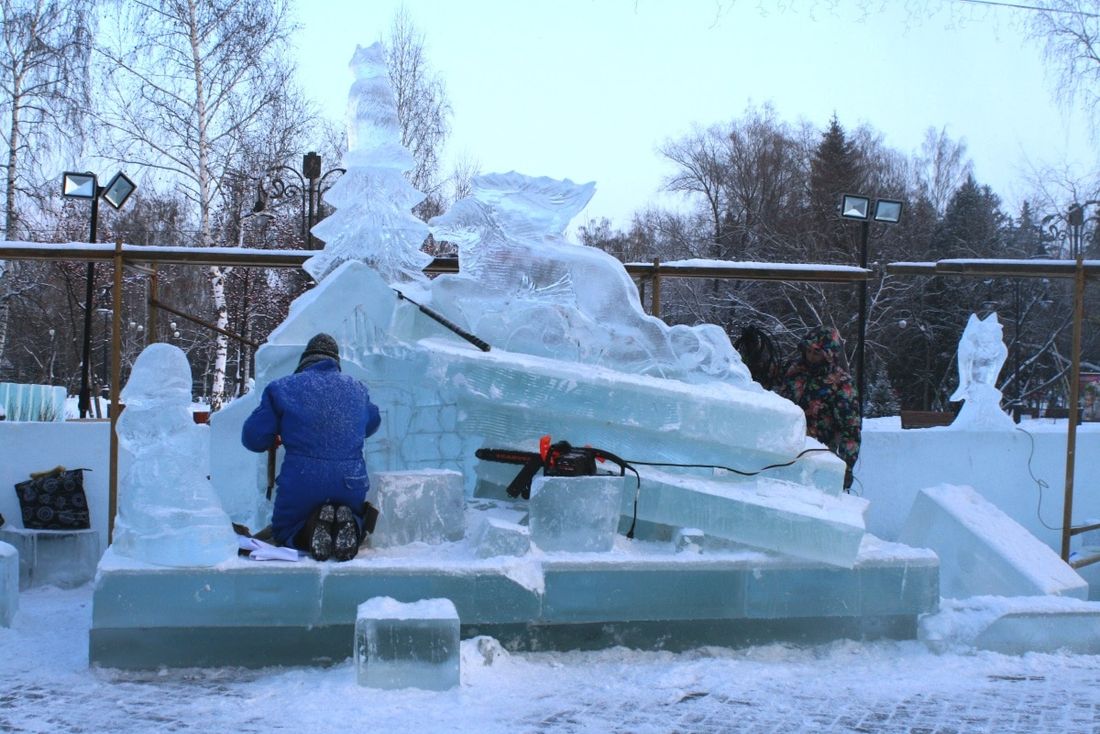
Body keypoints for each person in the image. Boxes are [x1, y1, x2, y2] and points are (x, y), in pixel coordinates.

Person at [242, 333, 381, 561]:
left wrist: (278, 430)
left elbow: (253, 439)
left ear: (304, 360)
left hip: (301, 479)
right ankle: (349, 524)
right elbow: (372, 424)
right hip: (350, 480)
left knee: (284, 530)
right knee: (357, 515)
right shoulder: (358, 389)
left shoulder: (281, 388)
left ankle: (311, 529)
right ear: (336, 361)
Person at [779, 326, 861, 490]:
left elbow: (850, 430)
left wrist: (845, 468)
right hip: (783, 453)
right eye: (808, 351)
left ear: (828, 355)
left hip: (818, 459)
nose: (810, 356)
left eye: (816, 353)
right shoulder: (794, 372)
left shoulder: (841, 383)